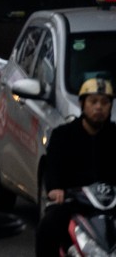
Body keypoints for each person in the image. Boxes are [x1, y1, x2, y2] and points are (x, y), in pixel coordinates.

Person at [38, 78, 116, 257]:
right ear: (82, 104)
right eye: (93, 101)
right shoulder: (62, 135)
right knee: (48, 226)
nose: (99, 107)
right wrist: (56, 188)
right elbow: (53, 166)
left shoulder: (114, 136)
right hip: (74, 203)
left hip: (110, 204)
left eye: (105, 103)